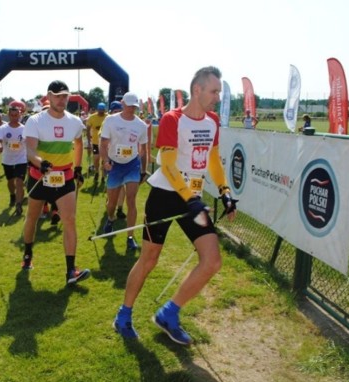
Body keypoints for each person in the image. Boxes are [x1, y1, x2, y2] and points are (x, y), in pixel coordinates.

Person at [113, 66, 237, 345]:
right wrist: (190, 198)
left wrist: (224, 191)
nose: (217, 96)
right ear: (197, 90)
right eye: (214, 91)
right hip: (166, 195)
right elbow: (167, 164)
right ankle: (124, 314)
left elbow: (213, 159)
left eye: (219, 91)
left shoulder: (213, 121)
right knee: (149, 259)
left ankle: (169, 313)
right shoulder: (172, 119)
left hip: (191, 199)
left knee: (212, 260)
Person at [21, 80, 90, 286]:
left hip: (65, 177)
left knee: (69, 220)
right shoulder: (35, 120)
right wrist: (41, 163)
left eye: (65, 96)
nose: (62, 100)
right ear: (49, 96)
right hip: (39, 176)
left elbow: (78, 144)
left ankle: (71, 270)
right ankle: (27, 254)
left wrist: (77, 168)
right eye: (58, 96)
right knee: (32, 218)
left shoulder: (75, 122)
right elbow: (30, 150)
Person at [100, 92, 149, 251]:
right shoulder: (111, 120)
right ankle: (110, 218)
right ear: (122, 104)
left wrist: (143, 169)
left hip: (132, 165)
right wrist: (105, 161)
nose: (131, 109)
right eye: (129, 106)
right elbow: (103, 143)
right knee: (112, 203)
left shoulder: (141, 125)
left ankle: (130, 237)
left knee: (131, 200)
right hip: (114, 165)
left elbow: (144, 149)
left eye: (134, 106)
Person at [0, 105, 27, 215]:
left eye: (16, 115)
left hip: (21, 159)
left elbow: (29, 142)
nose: (14, 117)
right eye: (12, 115)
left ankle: (18, 204)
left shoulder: (24, 129)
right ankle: (12, 195)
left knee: (19, 181)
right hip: (7, 159)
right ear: (8, 116)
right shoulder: (3, 128)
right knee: (10, 182)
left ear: (20, 115)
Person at [86, 102, 108, 184]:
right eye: (99, 110)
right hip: (95, 143)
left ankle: (103, 176)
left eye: (102, 110)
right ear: (97, 109)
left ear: (104, 110)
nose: (101, 112)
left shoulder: (108, 117)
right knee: (96, 159)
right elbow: (87, 130)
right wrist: (89, 142)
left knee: (104, 160)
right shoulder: (92, 117)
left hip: (105, 143)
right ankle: (96, 172)